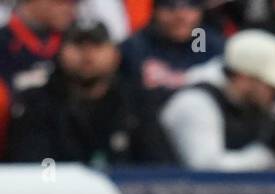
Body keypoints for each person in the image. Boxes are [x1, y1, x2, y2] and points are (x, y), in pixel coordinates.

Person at [8, 18, 173, 165]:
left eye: (97, 45)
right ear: (60, 53)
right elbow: (30, 171)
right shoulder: (37, 103)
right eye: (78, 44)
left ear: (116, 55)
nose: (87, 54)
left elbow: (160, 170)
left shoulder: (136, 102)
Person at [159, 29, 275, 170]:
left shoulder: (249, 104)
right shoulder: (195, 103)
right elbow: (206, 170)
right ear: (244, 78)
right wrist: (268, 152)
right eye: (270, 85)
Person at [118, 0, 226, 95]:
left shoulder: (209, 43)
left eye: (189, 6)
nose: (180, 16)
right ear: (155, 11)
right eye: (170, 7)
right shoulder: (135, 47)